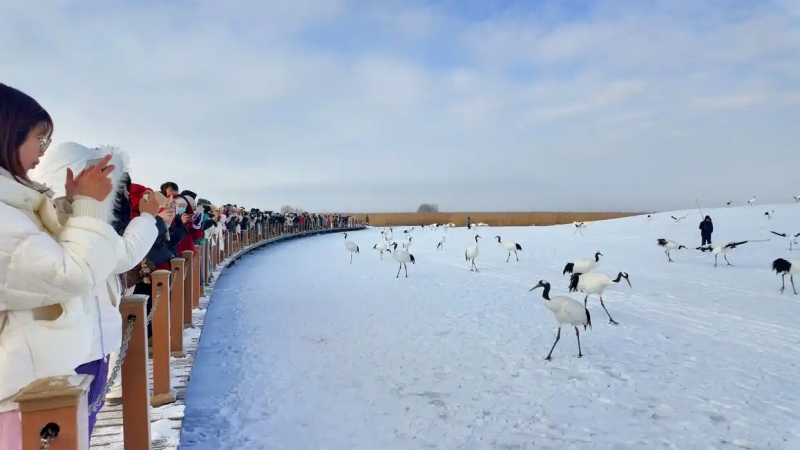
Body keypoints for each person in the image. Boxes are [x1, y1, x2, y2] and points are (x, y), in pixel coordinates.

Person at [0, 83, 120, 449]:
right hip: (20, 397)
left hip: (34, 382)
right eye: (39, 137)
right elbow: (71, 275)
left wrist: (69, 207)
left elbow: (40, 257)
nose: (42, 151)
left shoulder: (16, 204)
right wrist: (91, 209)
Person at [29, 142, 160, 437]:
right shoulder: (82, 225)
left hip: (60, 347)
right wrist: (148, 218)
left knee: (66, 428)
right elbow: (122, 255)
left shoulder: (40, 219)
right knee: (76, 427)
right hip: (83, 345)